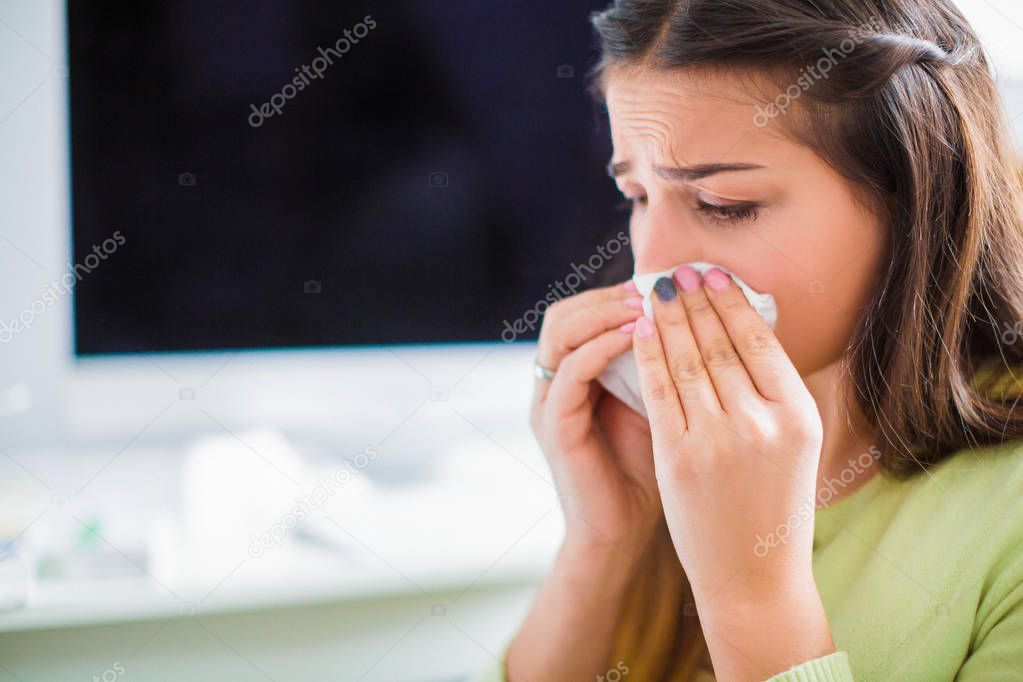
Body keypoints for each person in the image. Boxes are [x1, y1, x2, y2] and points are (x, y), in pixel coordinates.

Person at [471, 0, 1023, 680]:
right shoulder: (677, 451)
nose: (653, 264)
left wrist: (750, 595)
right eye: (638, 198)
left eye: (724, 206)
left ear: (915, 203)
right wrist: (603, 541)